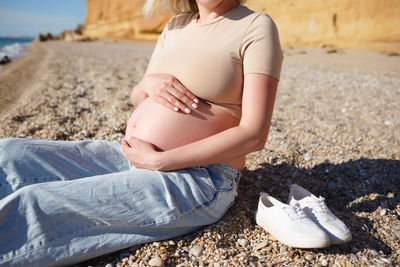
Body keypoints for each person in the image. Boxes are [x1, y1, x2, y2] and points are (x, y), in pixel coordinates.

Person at [0, 0, 282, 266]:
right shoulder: (176, 25)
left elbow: (254, 134)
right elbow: (140, 96)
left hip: (199, 177)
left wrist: (162, 161)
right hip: (133, 154)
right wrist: (149, 81)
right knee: (11, 153)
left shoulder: (255, 26)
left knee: (36, 205)